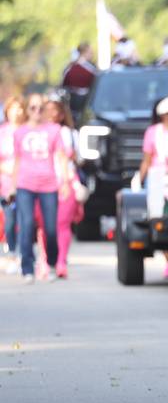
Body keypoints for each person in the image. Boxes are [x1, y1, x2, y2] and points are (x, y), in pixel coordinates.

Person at [9, 93, 68, 284]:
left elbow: (61, 157)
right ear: (27, 110)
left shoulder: (54, 130)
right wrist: (12, 185)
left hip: (48, 184)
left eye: (40, 108)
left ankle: (51, 263)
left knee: (50, 228)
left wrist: (65, 182)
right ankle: (27, 268)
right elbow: (17, 160)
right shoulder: (19, 133)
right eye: (33, 108)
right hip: (25, 183)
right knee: (26, 226)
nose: (37, 112)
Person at [139, 97, 168, 278]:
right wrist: (139, 180)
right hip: (157, 180)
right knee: (159, 220)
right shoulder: (153, 132)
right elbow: (147, 160)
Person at [44, 99, 83, 278]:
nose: (52, 114)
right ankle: (46, 259)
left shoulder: (70, 133)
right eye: (48, 110)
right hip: (44, 181)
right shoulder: (38, 133)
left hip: (67, 180)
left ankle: (61, 261)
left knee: (62, 223)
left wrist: (73, 157)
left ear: (61, 114)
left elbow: (80, 159)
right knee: (46, 225)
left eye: (55, 111)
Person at [1, 96, 25, 274]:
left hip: (26, 183)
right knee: (9, 222)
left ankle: (24, 254)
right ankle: (11, 252)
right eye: (13, 108)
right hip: (6, 184)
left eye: (20, 108)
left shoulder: (28, 131)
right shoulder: (2, 132)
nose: (17, 112)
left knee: (26, 221)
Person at [61, 42, 97, 121]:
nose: (92, 54)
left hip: (73, 101)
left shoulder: (69, 67)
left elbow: (63, 84)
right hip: (83, 102)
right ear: (84, 53)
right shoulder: (91, 69)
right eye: (90, 52)